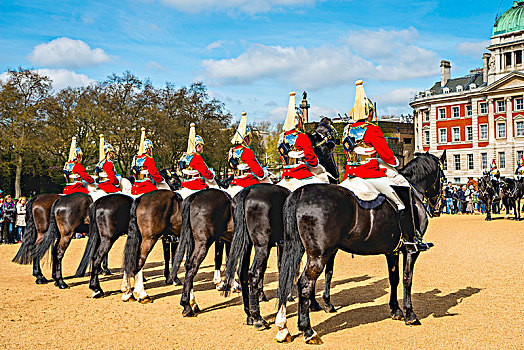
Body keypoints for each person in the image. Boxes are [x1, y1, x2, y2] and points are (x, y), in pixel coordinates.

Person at [341, 80, 431, 252]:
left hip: (350, 176)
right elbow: (386, 155)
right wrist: (395, 162)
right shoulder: (372, 129)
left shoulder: (347, 130)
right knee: (401, 200)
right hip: (369, 175)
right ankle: (410, 239)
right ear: (369, 112)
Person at [276, 91, 328, 191]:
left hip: (285, 176)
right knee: (325, 188)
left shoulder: (281, 138)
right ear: (299, 121)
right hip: (300, 175)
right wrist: (315, 162)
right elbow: (312, 160)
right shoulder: (301, 136)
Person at [227, 112, 270, 197]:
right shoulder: (246, 151)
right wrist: (264, 173)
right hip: (248, 182)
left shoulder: (232, 151)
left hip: (235, 181)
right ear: (246, 138)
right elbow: (258, 171)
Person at [178, 123, 217, 199]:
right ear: (197, 145)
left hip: (185, 183)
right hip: (196, 184)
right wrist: (212, 175)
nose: (202, 147)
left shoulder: (185, 156)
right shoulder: (196, 157)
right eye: (201, 145)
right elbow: (205, 173)